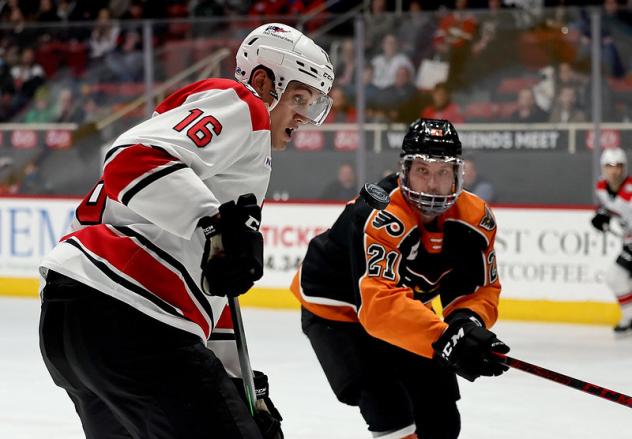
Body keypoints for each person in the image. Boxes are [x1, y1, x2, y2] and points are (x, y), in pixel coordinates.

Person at [38, 22, 334, 439]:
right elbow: (130, 159)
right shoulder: (245, 106)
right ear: (265, 82)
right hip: (130, 312)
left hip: (76, 320)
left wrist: (240, 384)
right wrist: (213, 223)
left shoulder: (220, 158)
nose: (305, 115)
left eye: (314, 102)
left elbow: (213, 288)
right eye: (299, 97)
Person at [291, 118, 509, 439]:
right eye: (422, 171)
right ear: (404, 171)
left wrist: (466, 324)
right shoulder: (379, 212)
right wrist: (444, 338)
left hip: (402, 306)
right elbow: (378, 307)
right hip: (336, 311)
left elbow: (477, 289)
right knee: (391, 412)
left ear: (457, 175)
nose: (432, 184)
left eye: (442, 172)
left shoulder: (475, 218)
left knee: (441, 413)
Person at [590, 147, 632, 336]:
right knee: (616, 277)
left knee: (616, 275)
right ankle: (629, 317)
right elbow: (610, 207)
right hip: (628, 240)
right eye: (609, 166)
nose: (614, 171)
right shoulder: (601, 187)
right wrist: (603, 214)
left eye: (619, 166)